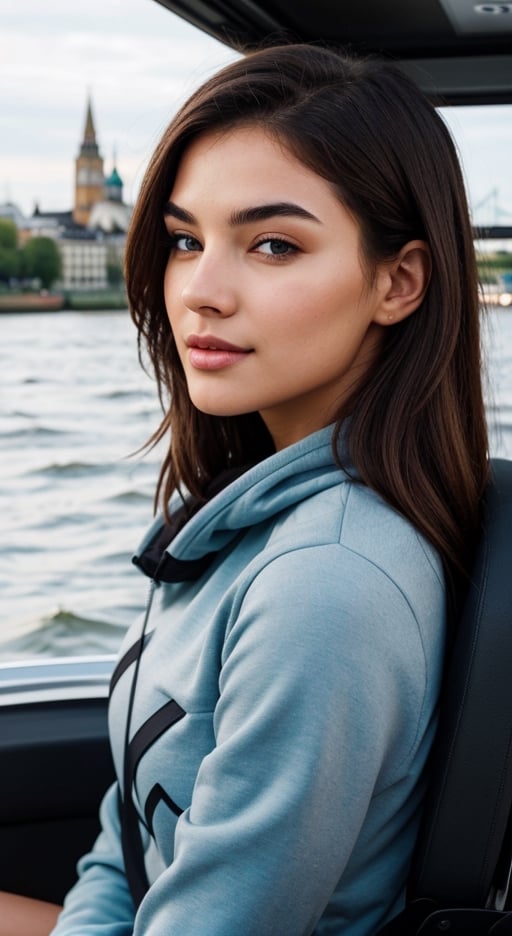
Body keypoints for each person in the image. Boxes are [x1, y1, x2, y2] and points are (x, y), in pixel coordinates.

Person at [0, 42, 488, 936]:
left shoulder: (328, 583)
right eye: (186, 241)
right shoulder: (245, 520)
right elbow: (130, 840)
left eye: (272, 244)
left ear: (398, 281)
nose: (199, 292)